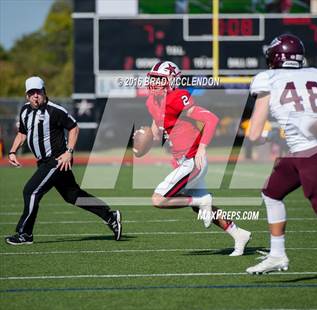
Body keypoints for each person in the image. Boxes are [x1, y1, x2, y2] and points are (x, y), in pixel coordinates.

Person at [245, 34, 317, 273]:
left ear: (274, 57)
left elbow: (253, 135)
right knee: (271, 193)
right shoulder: (316, 74)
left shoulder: (267, 79)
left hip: (309, 154)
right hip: (315, 150)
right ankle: (277, 255)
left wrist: (269, 136)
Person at [140, 61, 251, 256]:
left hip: (193, 160)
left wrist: (202, 149)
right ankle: (238, 234)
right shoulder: (151, 101)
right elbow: (157, 130)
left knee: (159, 199)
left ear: (171, 80)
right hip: (182, 161)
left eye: (159, 80)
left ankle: (202, 201)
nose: (155, 84)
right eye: (153, 79)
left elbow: (211, 119)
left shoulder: (178, 97)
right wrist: (142, 141)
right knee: (197, 205)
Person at [5, 76, 122, 245]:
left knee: (30, 191)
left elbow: (74, 127)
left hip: (57, 160)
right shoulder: (25, 111)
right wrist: (12, 151)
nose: (35, 96)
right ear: (26, 95)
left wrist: (69, 152)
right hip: (44, 162)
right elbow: (22, 133)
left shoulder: (54, 110)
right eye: (31, 93)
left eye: (38, 92)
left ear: (44, 92)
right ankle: (110, 216)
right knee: (73, 196)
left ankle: (25, 234)